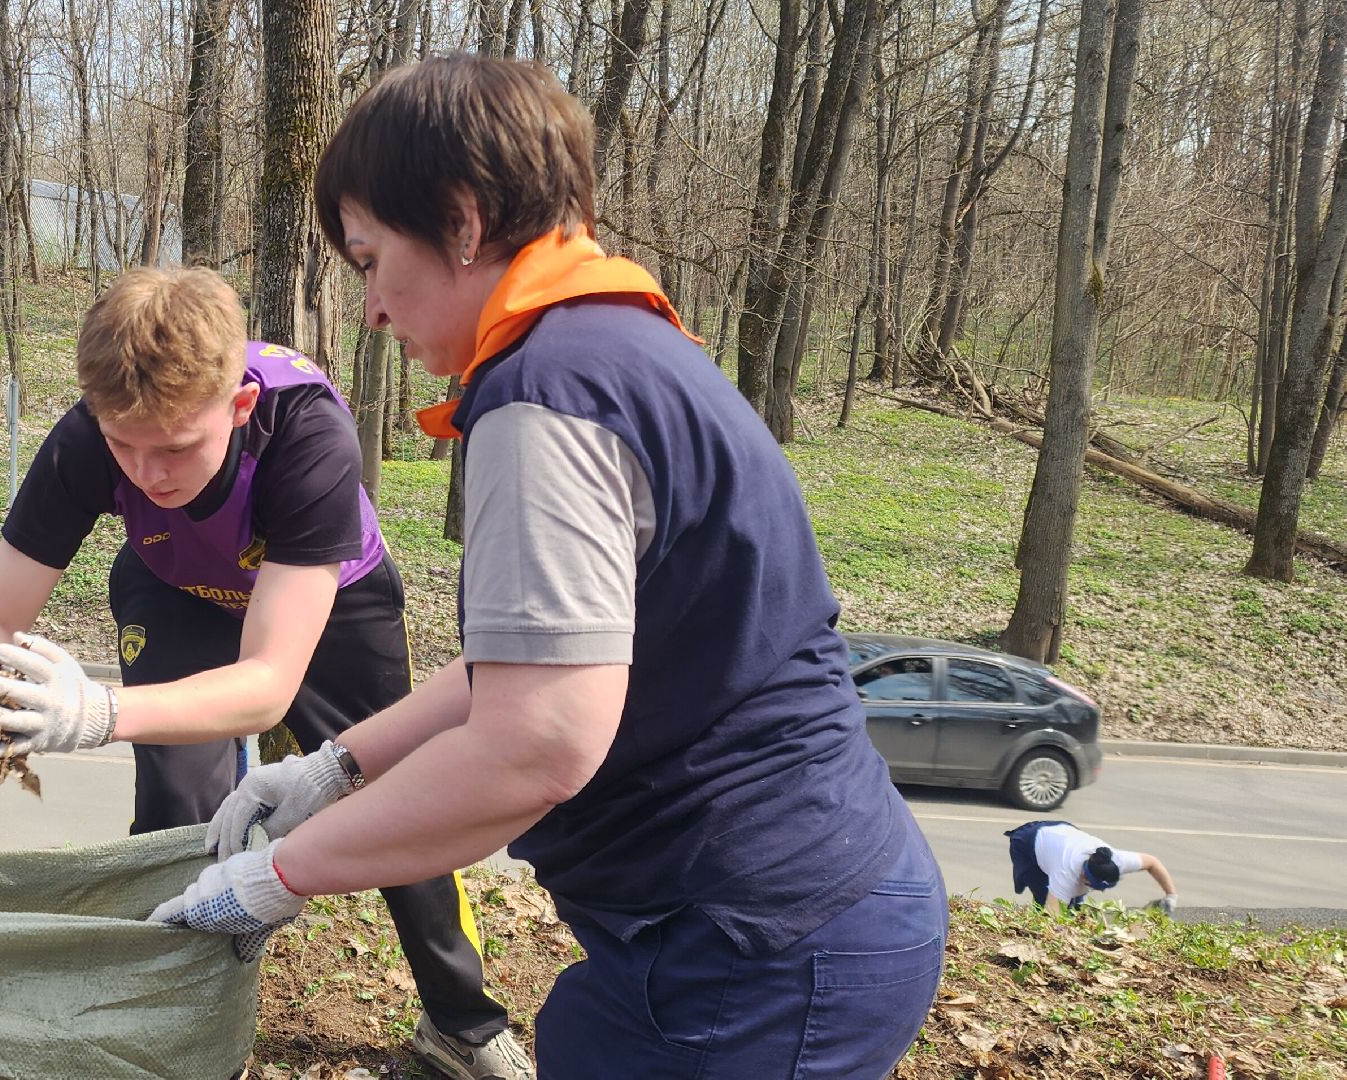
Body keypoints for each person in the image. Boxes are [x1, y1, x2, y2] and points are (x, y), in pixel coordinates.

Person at [150, 55, 948, 1078]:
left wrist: (281, 875)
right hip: (798, 912)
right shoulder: (616, 346)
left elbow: (534, 747)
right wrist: (335, 767)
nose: (372, 310)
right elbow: (527, 668)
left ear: (460, 218)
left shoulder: (546, 400)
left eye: (366, 258)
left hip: (753, 951)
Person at [0, 265, 530, 1078]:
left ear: (238, 406)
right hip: (176, 588)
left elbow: (266, 685)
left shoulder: (308, 429)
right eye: (123, 448)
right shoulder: (87, 435)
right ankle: (177, 1025)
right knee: (175, 811)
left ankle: (462, 1023)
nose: (148, 475)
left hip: (328, 601)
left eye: (175, 447)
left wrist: (96, 712)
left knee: (399, 797)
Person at [1006, 820, 1179, 914]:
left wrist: (1171, 895)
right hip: (1028, 843)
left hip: (1064, 831)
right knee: (1043, 898)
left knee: (1075, 908)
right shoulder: (1065, 873)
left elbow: (1153, 863)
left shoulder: (1117, 859)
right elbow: (1051, 918)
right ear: (1084, 874)